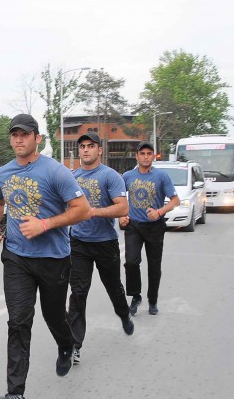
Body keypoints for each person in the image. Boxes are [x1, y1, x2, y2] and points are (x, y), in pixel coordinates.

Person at [0, 114, 90, 399]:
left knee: (54, 315)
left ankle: (66, 344)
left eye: (25, 134)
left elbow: (82, 209)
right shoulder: (4, 173)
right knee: (19, 321)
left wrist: (45, 224)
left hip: (53, 258)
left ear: (37, 138)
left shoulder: (56, 172)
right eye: (14, 134)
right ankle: (15, 393)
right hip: (17, 257)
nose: (19, 139)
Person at [67, 133, 134, 366]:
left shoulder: (111, 176)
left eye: (90, 146)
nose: (85, 150)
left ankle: (124, 314)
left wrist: (93, 211)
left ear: (99, 150)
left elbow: (123, 207)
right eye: (82, 147)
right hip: (79, 244)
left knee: (114, 287)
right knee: (78, 293)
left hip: (105, 243)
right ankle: (74, 345)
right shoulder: (72, 176)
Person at [119, 142, 180, 316]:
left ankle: (152, 300)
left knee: (154, 266)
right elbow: (119, 199)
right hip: (134, 226)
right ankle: (135, 296)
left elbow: (175, 200)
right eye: (142, 153)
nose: (146, 156)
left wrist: (160, 212)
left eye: (149, 153)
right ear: (137, 156)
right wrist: (121, 215)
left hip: (154, 227)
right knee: (131, 262)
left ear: (154, 156)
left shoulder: (162, 176)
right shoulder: (127, 176)